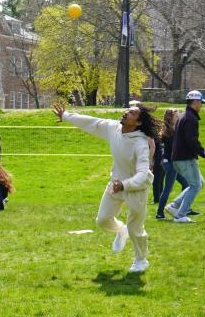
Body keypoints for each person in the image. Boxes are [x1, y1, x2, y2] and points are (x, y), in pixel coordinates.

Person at [53, 103, 161, 273]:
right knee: (102, 220)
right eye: (127, 110)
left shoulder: (140, 143)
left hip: (136, 188)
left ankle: (141, 260)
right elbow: (92, 123)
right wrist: (66, 116)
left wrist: (124, 185)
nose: (126, 113)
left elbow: (142, 174)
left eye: (132, 113)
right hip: (116, 184)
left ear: (138, 123)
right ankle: (121, 230)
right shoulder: (114, 128)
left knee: (136, 229)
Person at [166, 90, 205, 223]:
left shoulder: (184, 116)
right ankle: (180, 215)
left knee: (199, 183)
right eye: (201, 102)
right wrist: (204, 153)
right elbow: (191, 140)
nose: (201, 105)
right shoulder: (191, 118)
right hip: (185, 158)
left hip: (179, 158)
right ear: (195, 102)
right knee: (196, 185)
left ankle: (174, 206)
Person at [156, 109, 189, 220]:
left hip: (171, 162)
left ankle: (183, 209)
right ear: (170, 118)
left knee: (186, 184)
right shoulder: (169, 132)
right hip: (170, 163)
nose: (178, 118)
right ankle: (160, 213)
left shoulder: (173, 130)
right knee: (168, 189)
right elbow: (174, 150)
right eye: (176, 116)